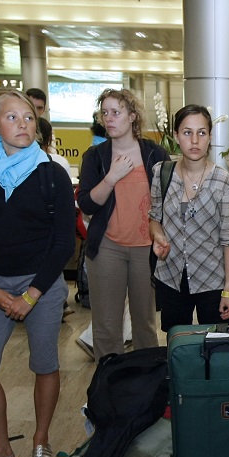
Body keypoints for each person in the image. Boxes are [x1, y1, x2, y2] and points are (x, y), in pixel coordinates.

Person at [0, 89, 74, 457]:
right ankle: (0, 448)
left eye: (28, 117)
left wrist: (31, 295)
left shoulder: (51, 173)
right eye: (11, 117)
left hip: (41, 284)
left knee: (44, 364)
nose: (22, 124)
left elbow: (63, 243)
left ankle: (40, 439)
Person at [77, 89, 168, 358]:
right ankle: (109, 387)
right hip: (107, 248)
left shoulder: (154, 153)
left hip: (147, 250)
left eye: (115, 112)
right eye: (104, 113)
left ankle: (146, 386)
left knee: (145, 325)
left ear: (132, 116)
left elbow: (167, 199)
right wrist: (111, 177)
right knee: (106, 327)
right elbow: (87, 204)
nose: (109, 119)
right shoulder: (95, 156)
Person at [149, 105, 229, 330]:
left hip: (211, 277)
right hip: (171, 275)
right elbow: (154, 217)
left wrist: (228, 291)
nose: (194, 140)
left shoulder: (224, 181)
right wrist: (158, 237)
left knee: (215, 349)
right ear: (176, 137)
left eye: (201, 133)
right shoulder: (162, 173)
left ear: (210, 137)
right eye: (187, 132)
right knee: (177, 347)